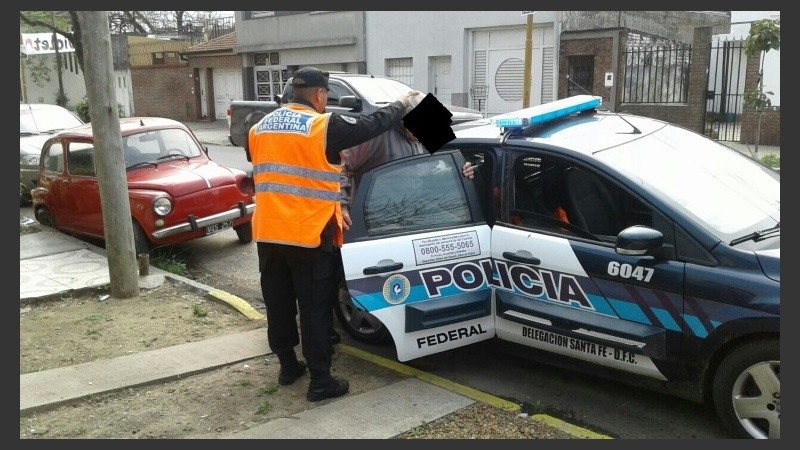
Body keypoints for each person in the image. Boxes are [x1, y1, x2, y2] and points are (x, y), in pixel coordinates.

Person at [248, 67, 422, 402]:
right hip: (310, 234)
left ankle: (288, 366)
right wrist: (400, 104)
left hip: (269, 234)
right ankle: (320, 381)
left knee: (279, 302)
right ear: (319, 95)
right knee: (314, 308)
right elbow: (372, 125)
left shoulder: (258, 129)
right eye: (325, 96)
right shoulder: (322, 125)